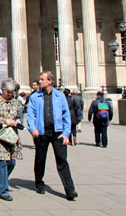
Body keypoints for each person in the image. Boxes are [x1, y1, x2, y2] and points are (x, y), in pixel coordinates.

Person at [26, 71, 77, 200]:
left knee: (62, 161)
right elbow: (30, 116)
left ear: (50, 81)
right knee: (40, 159)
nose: (40, 82)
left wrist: (66, 134)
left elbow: (66, 116)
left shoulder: (60, 96)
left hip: (58, 133)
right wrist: (33, 129)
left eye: (42, 79)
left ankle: (70, 190)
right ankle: (39, 182)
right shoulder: (34, 97)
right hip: (42, 132)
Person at [0, 78, 23, 201]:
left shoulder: (15, 102)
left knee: (12, 162)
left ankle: (2, 181)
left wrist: (17, 121)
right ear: (2, 90)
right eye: (8, 92)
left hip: (11, 136)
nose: (10, 94)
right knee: (2, 162)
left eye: (12, 92)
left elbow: (19, 116)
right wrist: (4, 121)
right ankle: (3, 191)